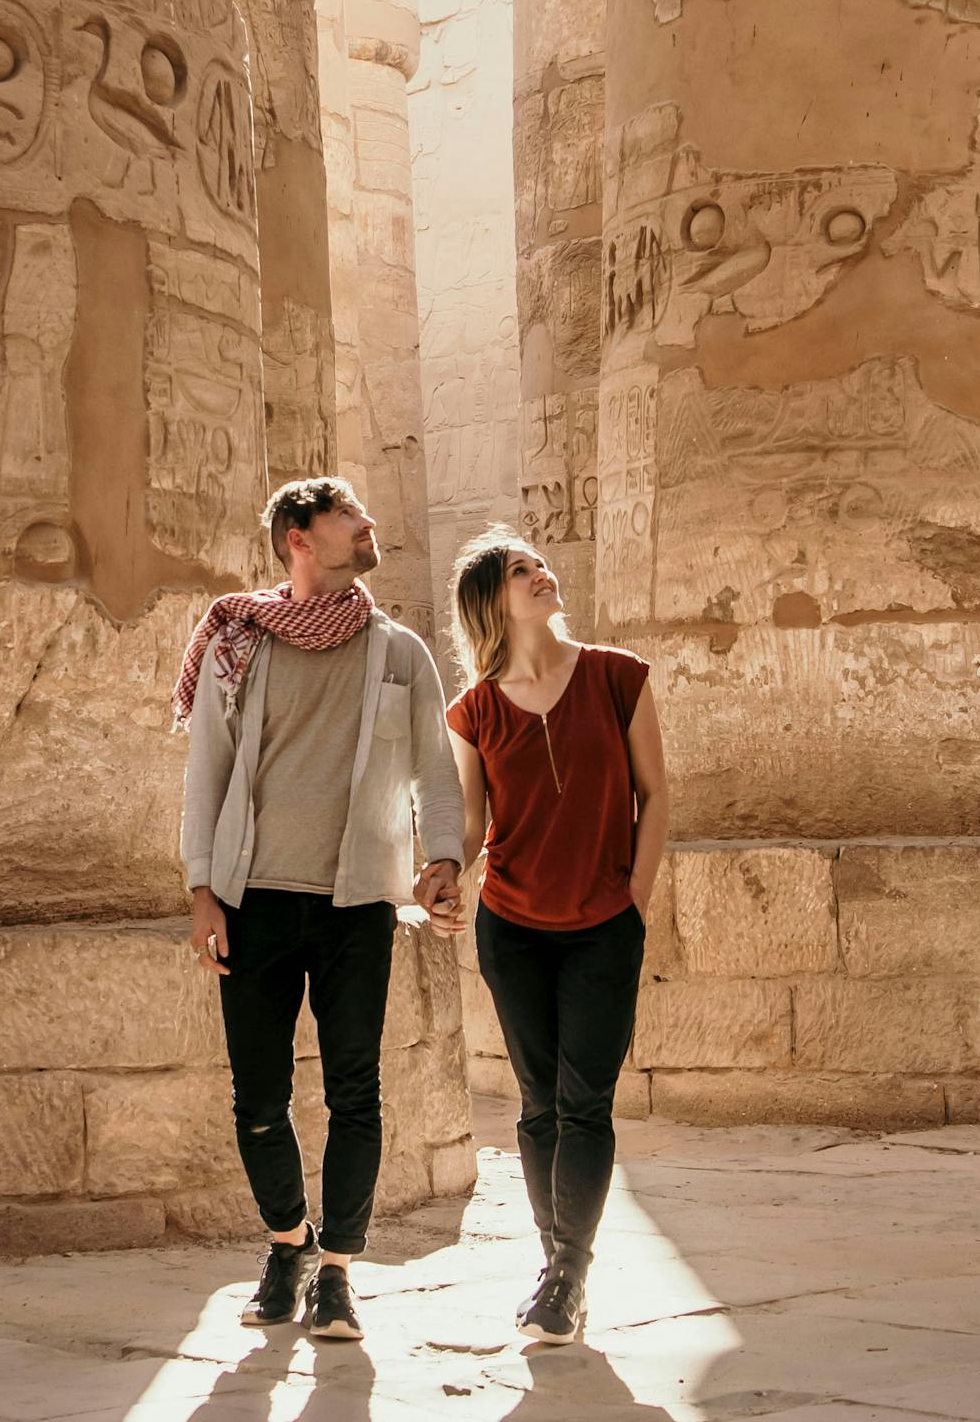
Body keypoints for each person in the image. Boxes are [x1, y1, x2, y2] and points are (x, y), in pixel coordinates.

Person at [176, 478, 464, 1343]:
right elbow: (207, 771)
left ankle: (336, 1270)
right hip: (250, 900)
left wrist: (442, 859)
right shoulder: (239, 644)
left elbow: (433, 771)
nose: (369, 525)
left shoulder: (400, 651)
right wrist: (200, 891)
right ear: (299, 538)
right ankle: (283, 1242)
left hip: (356, 909)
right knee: (257, 1099)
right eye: (348, 517)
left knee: (355, 1095)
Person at [425, 527, 669, 1347]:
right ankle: (556, 1269)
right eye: (521, 570)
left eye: (540, 563)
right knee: (537, 1108)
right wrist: (444, 873)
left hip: (605, 925)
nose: (542, 574)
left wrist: (633, 898)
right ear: (492, 602)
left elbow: (655, 795)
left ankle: (568, 1271)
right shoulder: (475, 709)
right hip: (515, 927)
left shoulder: (616, 675)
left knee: (585, 1104)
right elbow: (471, 820)